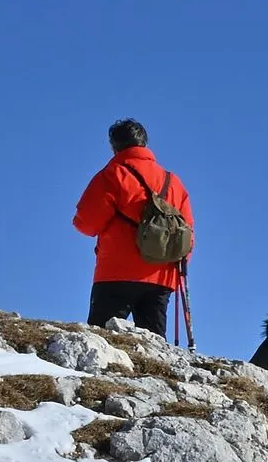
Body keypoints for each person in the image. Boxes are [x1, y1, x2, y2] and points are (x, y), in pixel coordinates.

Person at [71, 119, 194, 338]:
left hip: (116, 273)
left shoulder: (113, 174)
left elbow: (86, 224)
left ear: (114, 146)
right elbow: (187, 234)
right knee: (155, 346)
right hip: (161, 276)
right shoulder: (173, 181)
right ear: (145, 143)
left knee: (101, 338)